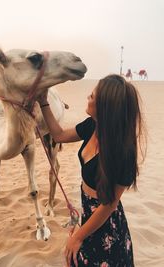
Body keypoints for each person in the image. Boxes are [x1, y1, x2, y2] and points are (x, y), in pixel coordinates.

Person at [38, 74, 146, 267]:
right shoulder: (92, 126)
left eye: (93, 95)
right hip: (89, 216)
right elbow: (59, 135)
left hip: (108, 229)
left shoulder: (123, 150)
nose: (88, 96)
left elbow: (108, 206)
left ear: (106, 106)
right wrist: (43, 103)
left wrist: (78, 236)